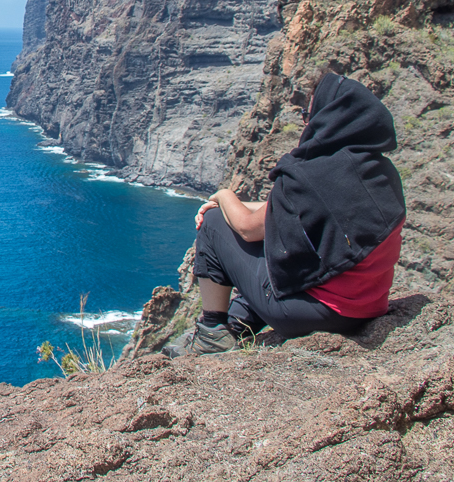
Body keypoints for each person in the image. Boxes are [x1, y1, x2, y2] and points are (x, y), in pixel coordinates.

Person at [163, 72, 406, 357]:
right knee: (279, 252)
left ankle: (211, 332)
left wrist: (224, 196)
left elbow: (247, 229)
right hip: (367, 309)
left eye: (309, 113)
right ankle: (238, 326)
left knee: (216, 223)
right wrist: (244, 205)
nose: (307, 121)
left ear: (329, 117)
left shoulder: (314, 174)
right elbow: (288, 211)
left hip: (312, 314)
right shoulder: (377, 172)